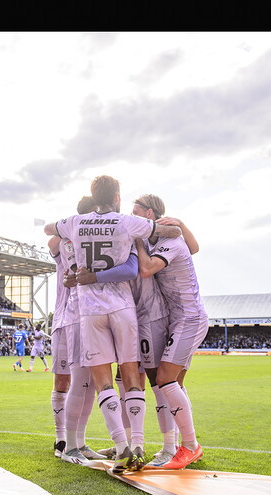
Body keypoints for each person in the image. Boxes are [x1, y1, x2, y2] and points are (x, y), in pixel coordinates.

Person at [43, 174, 182, 473]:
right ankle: (139, 445)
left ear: (93, 197)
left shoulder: (75, 224)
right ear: (118, 197)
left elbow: (47, 229)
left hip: (90, 310)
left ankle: (121, 447)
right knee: (131, 373)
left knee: (102, 379)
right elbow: (165, 235)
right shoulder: (125, 222)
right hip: (122, 307)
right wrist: (164, 227)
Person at [127, 193, 207, 470]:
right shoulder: (163, 238)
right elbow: (195, 248)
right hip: (178, 318)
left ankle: (190, 447)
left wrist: (136, 237)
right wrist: (182, 225)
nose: (130, 215)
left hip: (189, 317)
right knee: (176, 386)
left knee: (164, 379)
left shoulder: (169, 240)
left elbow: (147, 269)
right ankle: (178, 447)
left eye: (135, 212)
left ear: (149, 214)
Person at [47, 196, 113, 463]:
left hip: (83, 315)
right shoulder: (66, 240)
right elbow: (51, 239)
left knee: (84, 382)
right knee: (64, 381)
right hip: (65, 318)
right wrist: (70, 227)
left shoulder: (95, 242)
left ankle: (78, 442)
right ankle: (62, 439)